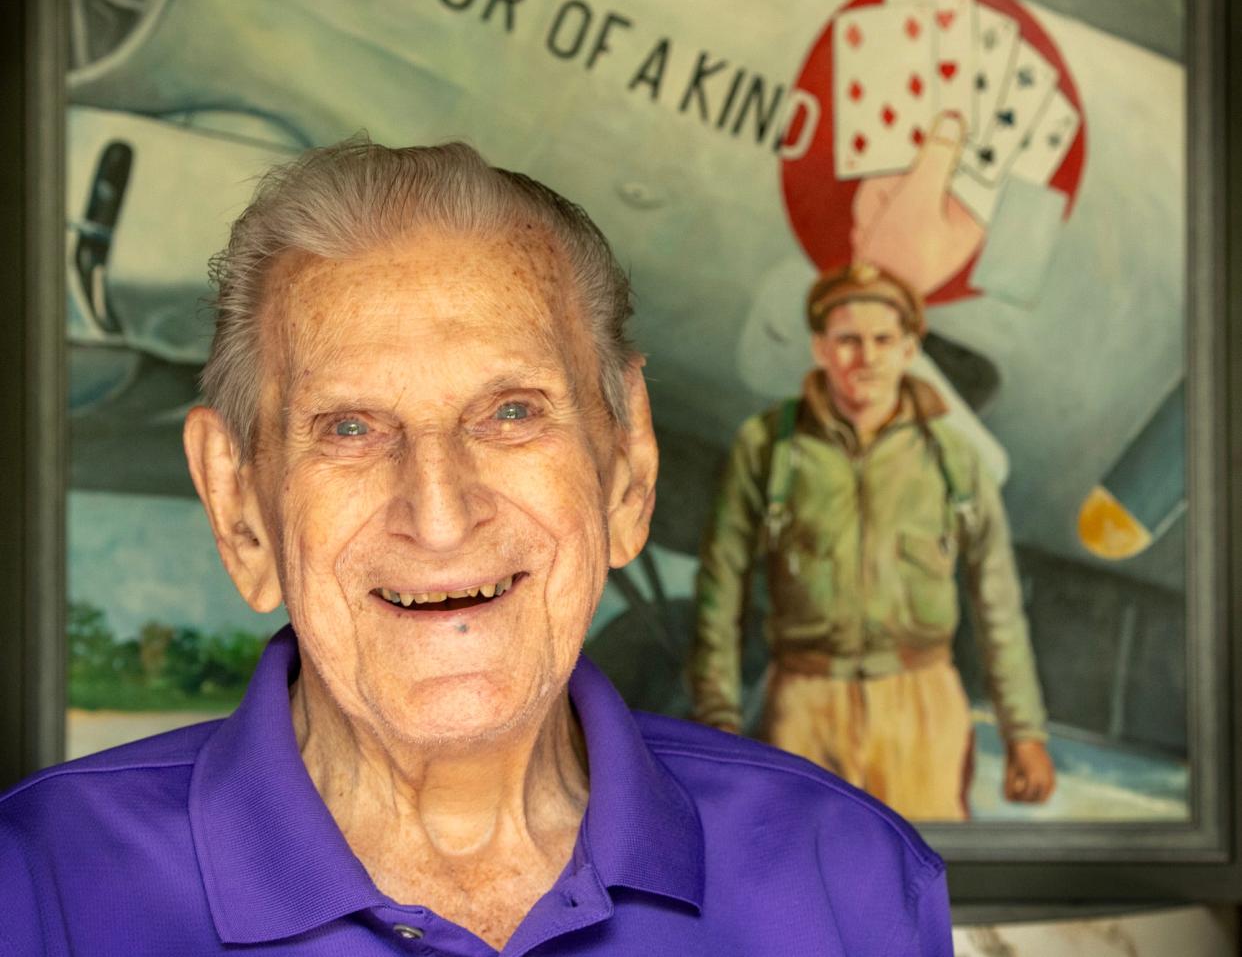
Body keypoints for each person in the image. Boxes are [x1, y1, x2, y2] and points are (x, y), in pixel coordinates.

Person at [1, 142, 951, 955]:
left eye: (510, 413)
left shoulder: (846, 876)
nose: (441, 514)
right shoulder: (42, 888)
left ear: (627, 470)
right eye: (348, 429)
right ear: (239, 505)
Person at [691, 262, 1055, 821]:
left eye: (884, 340)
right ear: (819, 347)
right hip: (803, 706)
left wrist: (1024, 732)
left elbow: (998, 601)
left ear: (910, 349)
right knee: (798, 884)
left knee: (923, 886)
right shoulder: (768, 447)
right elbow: (721, 589)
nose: (866, 358)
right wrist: (718, 720)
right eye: (848, 340)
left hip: (923, 707)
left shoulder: (954, 459)